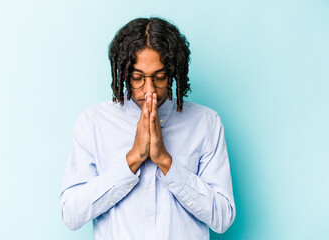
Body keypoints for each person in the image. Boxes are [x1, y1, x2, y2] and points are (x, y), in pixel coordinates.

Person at [59, 17, 236, 239]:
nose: (149, 90)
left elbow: (223, 218)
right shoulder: (93, 122)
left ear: (172, 73)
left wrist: (165, 161)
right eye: (137, 78)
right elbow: (71, 214)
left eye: (160, 77)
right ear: (124, 74)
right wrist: (132, 159)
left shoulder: (206, 123)